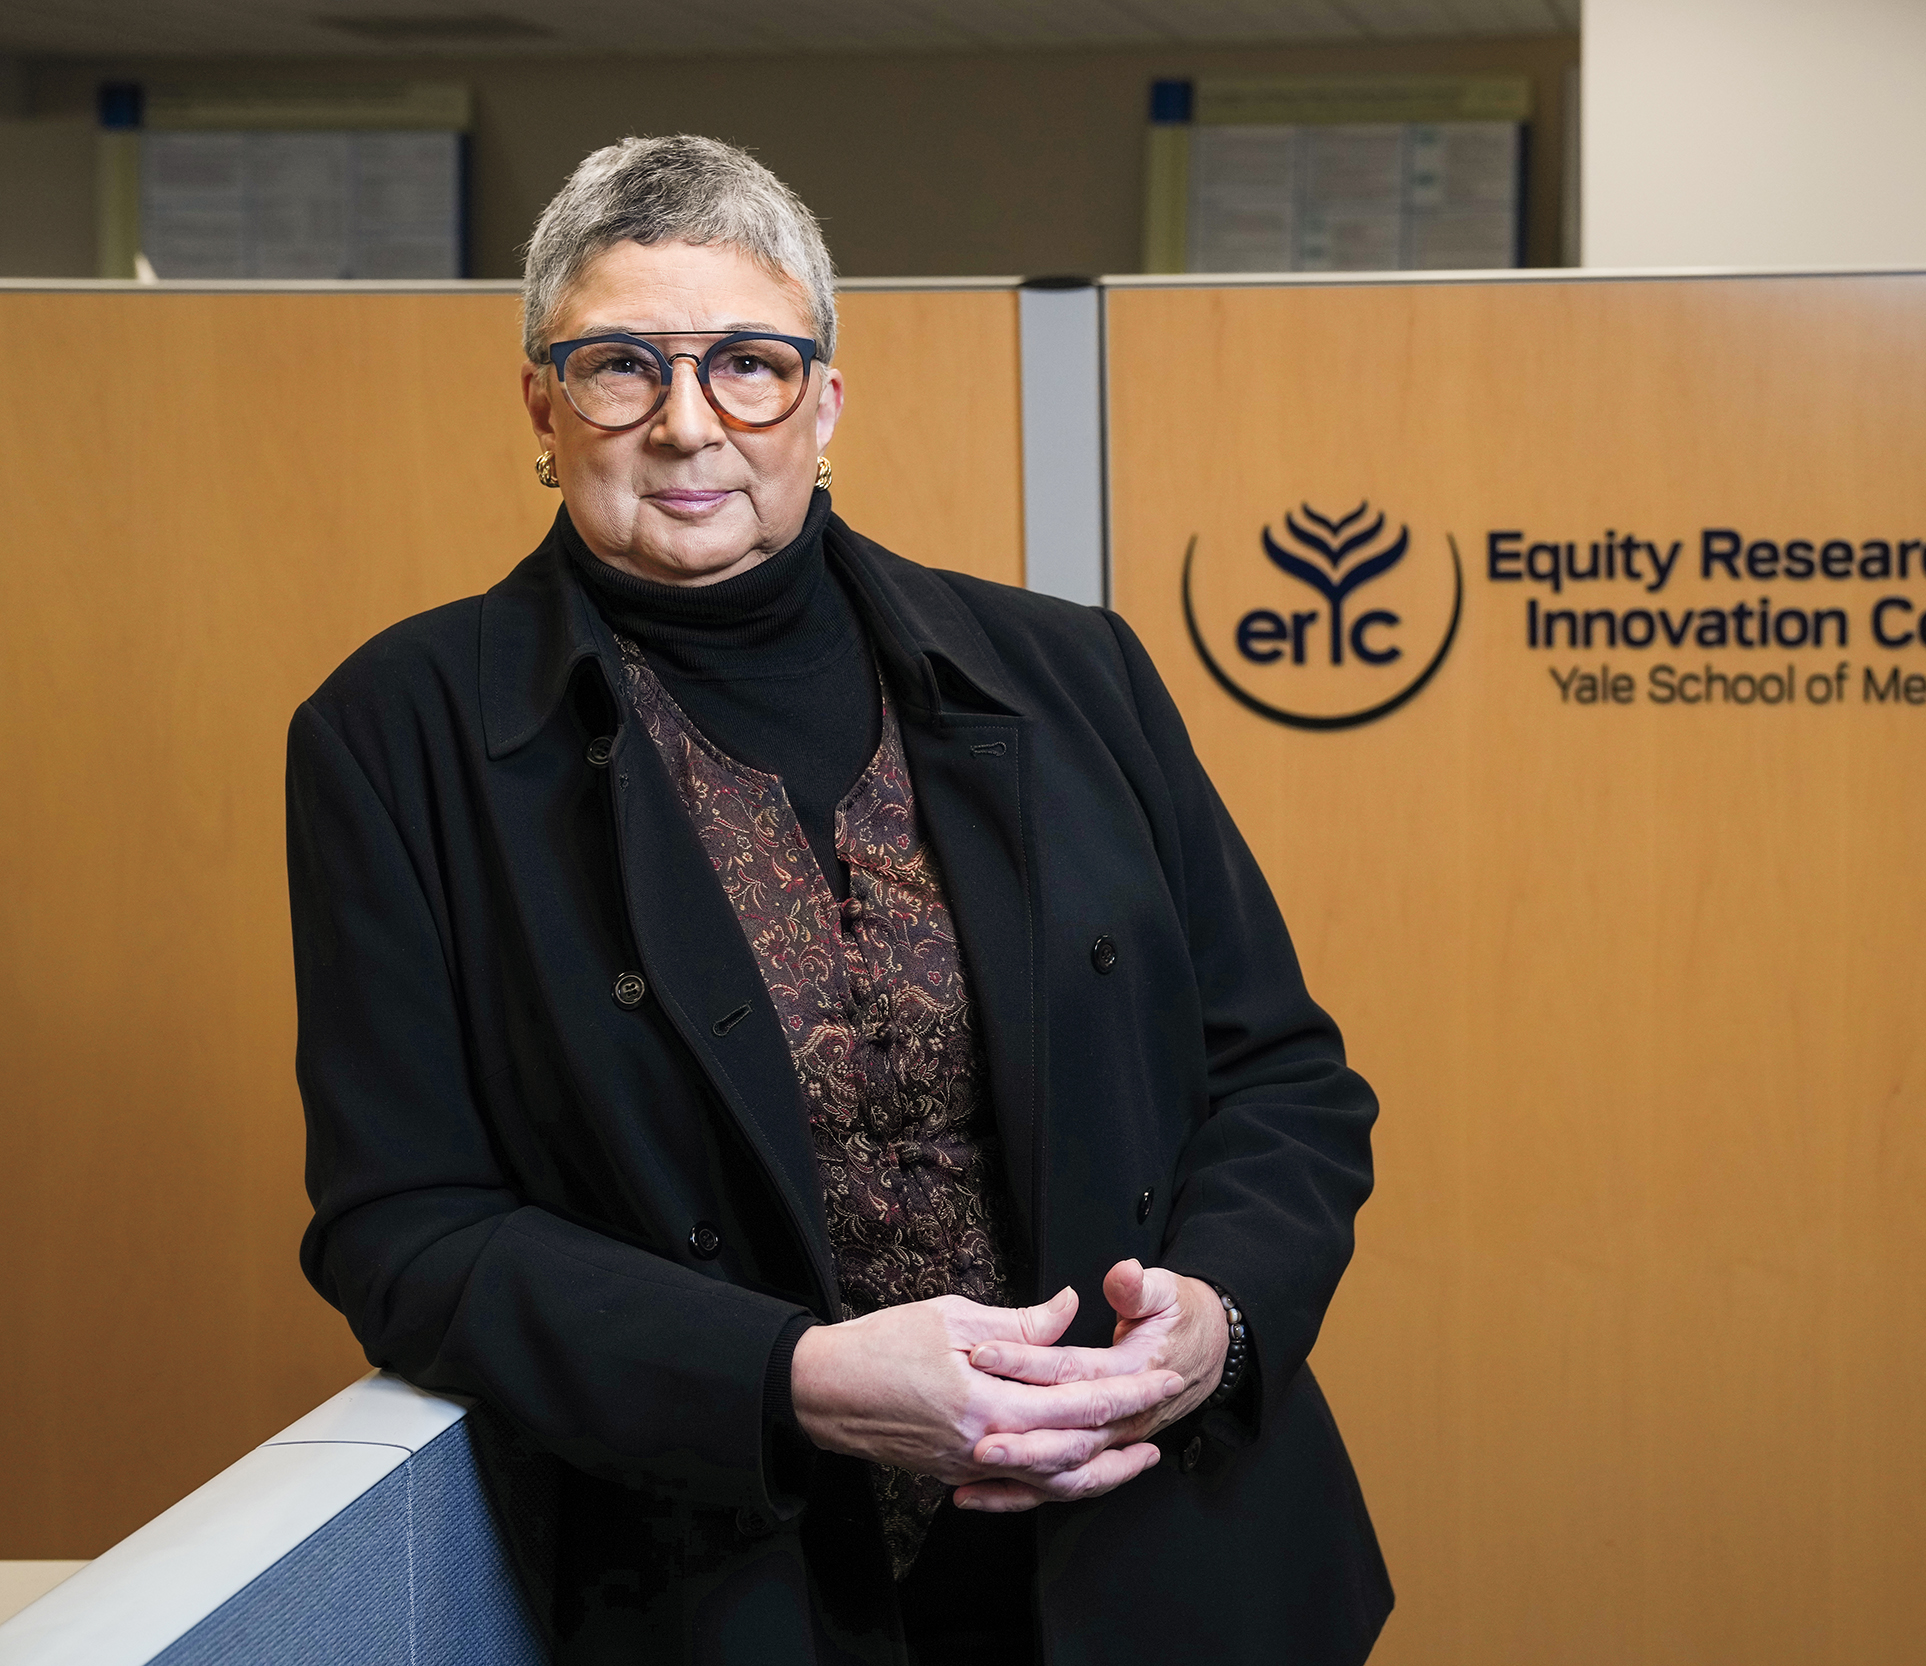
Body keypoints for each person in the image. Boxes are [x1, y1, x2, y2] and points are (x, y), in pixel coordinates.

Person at [287, 135, 1389, 1665]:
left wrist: (1220, 1321)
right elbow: (406, 1230)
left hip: (1163, 1554)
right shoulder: (397, 735)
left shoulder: (1073, 676)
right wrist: (789, 1376)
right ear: (542, 404)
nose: (687, 425)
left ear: (825, 398)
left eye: (750, 361)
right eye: (619, 366)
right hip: (736, 1583)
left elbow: (1283, 1074)